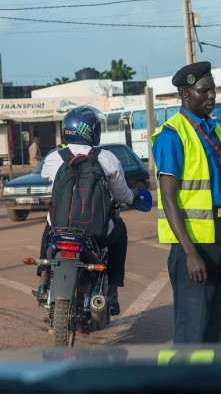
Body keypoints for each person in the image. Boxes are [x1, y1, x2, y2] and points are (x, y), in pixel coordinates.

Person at [151, 61, 221, 344]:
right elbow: (168, 198)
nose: (211, 96)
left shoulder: (214, 131)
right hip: (195, 244)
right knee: (193, 331)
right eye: (203, 91)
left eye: (213, 90)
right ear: (184, 94)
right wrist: (189, 253)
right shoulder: (172, 135)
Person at [36, 106, 139, 316]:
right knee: (120, 231)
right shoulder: (107, 158)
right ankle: (112, 291)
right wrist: (133, 197)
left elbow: (47, 177)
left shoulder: (54, 158)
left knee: (48, 233)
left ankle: (44, 283)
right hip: (95, 231)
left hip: (60, 226)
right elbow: (122, 195)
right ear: (91, 130)